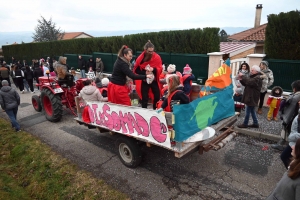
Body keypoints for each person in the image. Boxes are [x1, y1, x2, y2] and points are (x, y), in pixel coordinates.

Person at [133, 40, 163, 109]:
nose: (151, 53)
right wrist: (145, 73)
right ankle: (144, 111)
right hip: (145, 79)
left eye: (152, 51)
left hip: (154, 79)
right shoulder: (140, 58)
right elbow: (136, 70)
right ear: (145, 50)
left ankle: (155, 109)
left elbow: (160, 68)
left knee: (157, 95)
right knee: (144, 97)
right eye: (149, 51)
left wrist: (153, 69)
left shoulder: (157, 57)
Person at [272, 80, 300, 150]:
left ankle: (284, 146)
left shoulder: (295, 97)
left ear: (295, 88)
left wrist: (285, 118)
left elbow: (290, 110)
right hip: (296, 117)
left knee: (288, 131)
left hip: (292, 118)